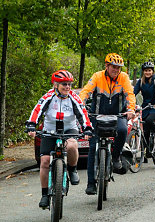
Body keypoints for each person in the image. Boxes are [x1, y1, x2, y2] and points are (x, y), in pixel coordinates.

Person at [26, 70, 93, 208]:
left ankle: (72, 169)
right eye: (64, 84)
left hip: (69, 129)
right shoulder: (48, 97)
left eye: (69, 84)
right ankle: (45, 194)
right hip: (50, 130)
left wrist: (87, 128)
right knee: (44, 161)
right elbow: (37, 110)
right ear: (56, 84)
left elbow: (83, 113)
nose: (67, 87)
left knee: (72, 146)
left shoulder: (74, 97)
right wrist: (32, 125)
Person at [80, 53, 135, 195]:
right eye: (113, 67)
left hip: (118, 114)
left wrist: (130, 109)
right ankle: (91, 183)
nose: (116, 70)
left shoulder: (124, 78)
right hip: (97, 115)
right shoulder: (97, 76)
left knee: (123, 130)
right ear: (107, 66)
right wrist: (80, 104)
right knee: (93, 147)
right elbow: (86, 91)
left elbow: (130, 94)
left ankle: (116, 157)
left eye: (118, 68)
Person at [134, 61, 155, 159]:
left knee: (149, 120)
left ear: (152, 71)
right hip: (146, 106)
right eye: (146, 71)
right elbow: (133, 93)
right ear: (143, 72)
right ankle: (147, 151)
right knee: (145, 130)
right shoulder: (141, 82)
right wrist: (128, 102)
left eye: (149, 70)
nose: (148, 72)